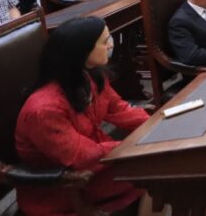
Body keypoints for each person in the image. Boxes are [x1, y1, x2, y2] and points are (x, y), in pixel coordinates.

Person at [15, 17, 148, 215]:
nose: (111, 45)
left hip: (100, 163)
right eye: (105, 42)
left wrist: (158, 126)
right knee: (161, 171)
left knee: (172, 163)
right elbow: (81, 156)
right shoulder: (43, 110)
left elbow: (120, 110)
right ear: (82, 53)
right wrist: (135, 148)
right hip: (65, 185)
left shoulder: (90, 76)